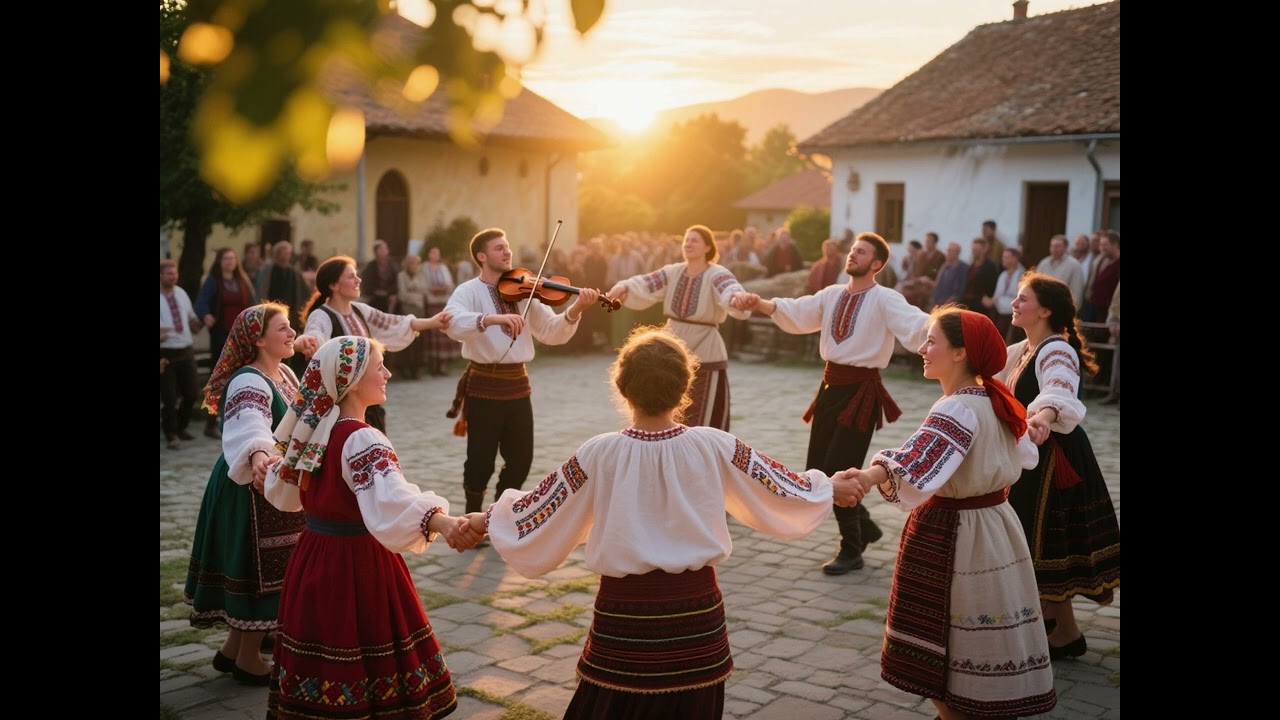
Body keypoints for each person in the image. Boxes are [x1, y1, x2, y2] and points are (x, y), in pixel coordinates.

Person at [463, 326, 834, 719]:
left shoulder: (600, 453)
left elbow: (541, 507)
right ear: (685, 386)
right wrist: (830, 486)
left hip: (624, 618)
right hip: (696, 621)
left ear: (622, 388)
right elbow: (781, 485)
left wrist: (485, 520)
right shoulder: (714, 444)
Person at [830, 307, 1057, 720]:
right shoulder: (995, 400)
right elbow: (1024, 454)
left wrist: (865, 475)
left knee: (950, 633)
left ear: (960, 352)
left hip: (957, 532)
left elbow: (916, 461)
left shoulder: (958, 407)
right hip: (996, 526)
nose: (922, 348)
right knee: (986, 626)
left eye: (932, 341)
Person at [263, 336, 473, 720]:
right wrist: (442, 522)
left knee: (321, 649)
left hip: (313, 558)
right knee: (365, 644)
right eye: (380, 367)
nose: (388, 373)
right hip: (356, 562)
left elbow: (285, 492)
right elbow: (391, 500)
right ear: (354, 380)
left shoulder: (315, 433)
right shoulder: (361, 438)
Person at [732, 232, 930, 575]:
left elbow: (918, 324)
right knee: (821, 472)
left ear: (877, 263)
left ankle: (852, 548)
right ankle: (864, 526)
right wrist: (759, 303)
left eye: (862, 252)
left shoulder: (886, 299)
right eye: (853, 250)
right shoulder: (832, 294)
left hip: (861, 392)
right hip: (829, 388)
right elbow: (798, 311)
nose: (853, 255)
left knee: (842, 470)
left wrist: (951, 328)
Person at [183, 303, 317, 685]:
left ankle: (231, 650)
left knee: (268, 566)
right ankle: (247, 660)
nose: (291, 333)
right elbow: (250, 424)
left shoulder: (284, 372)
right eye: (283, 328)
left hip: (271, 480)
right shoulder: (248, 380)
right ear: (258, 339)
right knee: (259, 569)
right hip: (251, 484)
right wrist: (260, 456)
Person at [1001, 273, 1121, 660]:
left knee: (1043, 542)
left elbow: (1059, 387)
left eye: (1023, 299)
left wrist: (1044, 414)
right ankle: (1059, 630)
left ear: (1045, 310)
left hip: (1055, 457)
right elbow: (987, 371)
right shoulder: (1024, 348)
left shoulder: (1057, 350)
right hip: (1035, 454)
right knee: (1036, 541)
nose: (1015, 304)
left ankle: (1062, 631)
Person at [443, 228, 600, 517]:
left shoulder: (526, 291)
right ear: (482, 256)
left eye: (507, 246)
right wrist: (492, 318)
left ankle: (497, 515)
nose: (507, 251)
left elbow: (551, 332)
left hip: (517, 384)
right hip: (483, 384)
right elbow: (452, 322)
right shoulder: (468, 291)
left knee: (522, 460)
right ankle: (471, 516)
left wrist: (577, 307)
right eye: (499, 248)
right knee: (480, 461)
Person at [606, 224, 751, 430]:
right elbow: (646, 283)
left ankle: (704, 450)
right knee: (665, 403)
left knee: (704, 413)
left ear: (708, 247)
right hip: (672, 345)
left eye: (695, 240)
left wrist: (737, 299)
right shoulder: (672, 272)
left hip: (706, 348)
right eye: (686, 240)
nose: (688, 244)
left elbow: (729, 289)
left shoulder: (717, 273)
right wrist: (624, 286)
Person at [302, 255, 453, 433]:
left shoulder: (359, 310)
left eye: (356, 275)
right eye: (351, 276)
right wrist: (306, 341)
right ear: (334, 285)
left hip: (367, 402)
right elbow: (316, 335)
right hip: (340, 408)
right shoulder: (321, 315)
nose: (358, 280)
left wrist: (433, 322)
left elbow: (392, 322)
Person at [195, 247, 259, 438]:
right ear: (219, 261)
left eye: (232, 258)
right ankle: (211, 422)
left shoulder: (242, 281)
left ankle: (241, 419)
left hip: (243, 337)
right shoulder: (213, 281)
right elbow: (201, 303)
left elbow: (253, 305)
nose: (230, 262)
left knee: (243, 376)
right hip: (221, 336)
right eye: (226, 259)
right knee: (220, 379)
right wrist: (206, 315)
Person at [160, 259, 204, 450]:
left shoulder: (181, 293)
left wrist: (197, 323)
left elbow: (191, 317)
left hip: (185, 349)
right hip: (165, 352)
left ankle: (181, 426)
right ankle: (171, 433)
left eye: (175, 273)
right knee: (169, 397)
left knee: (192, 392)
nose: (173, 277)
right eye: (169, 274)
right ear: (160, 276)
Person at [422, 245, 459, 375]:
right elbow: (424, 285)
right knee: (433, 333)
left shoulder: (443, 267)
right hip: (431, 302)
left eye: (436, 253)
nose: (434, 255)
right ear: (429, 254)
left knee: (443, 332)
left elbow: (449, 284)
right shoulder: (424, 267)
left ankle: (442, 365)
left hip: (443, 302)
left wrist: (443, 288)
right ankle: (433, 366)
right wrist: (434, 289)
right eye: (432, 252)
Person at [360, 239, 400, 313]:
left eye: (385, 248)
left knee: (393, 299)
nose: (384, 251)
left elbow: (396, 280)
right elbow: (366, 283)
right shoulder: (370, 266)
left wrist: (388, 291)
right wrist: (376, 291)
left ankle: (389, 316)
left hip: (389, 293)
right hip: (374, 293)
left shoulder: (393, 265)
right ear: (376, 251)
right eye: (381, 249)